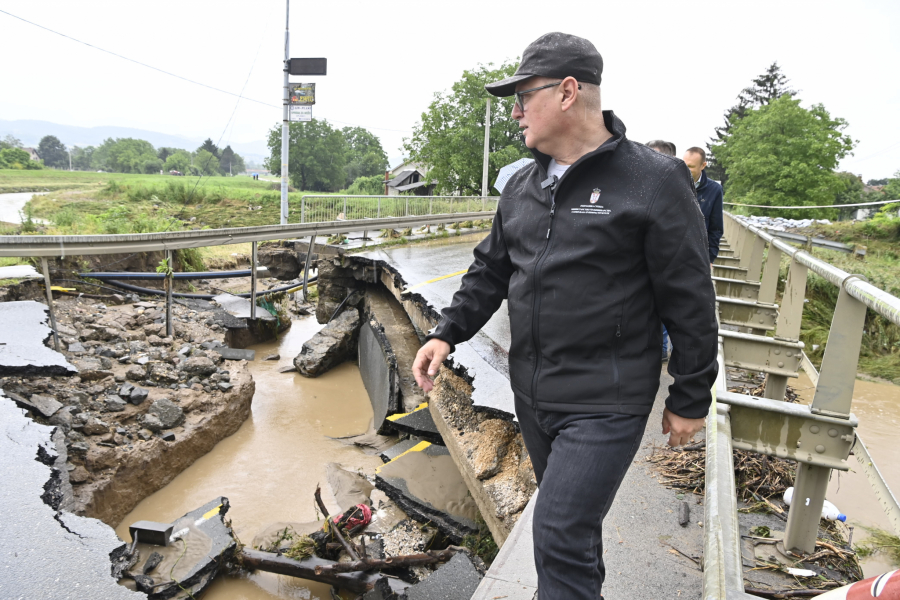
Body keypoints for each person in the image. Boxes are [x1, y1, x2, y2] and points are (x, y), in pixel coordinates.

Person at [411, 32, 718, 600]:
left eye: (523, 97)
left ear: (568, 91)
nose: (515, 112)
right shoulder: (521, 186)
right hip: (533, 394)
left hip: (606, 399)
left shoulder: (653, 180)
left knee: (556, 530)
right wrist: (446, 333)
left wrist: (690, 395)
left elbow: (690, 296)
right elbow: (490, 270)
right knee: (573, 530)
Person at [647, 140, 678, 360]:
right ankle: (659, 349)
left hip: (670, 260)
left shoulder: (678, 191)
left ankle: (667, 349)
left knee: (668, 304)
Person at [683, 147, 724, 264]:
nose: (686, 170)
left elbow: (716, 228)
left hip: (698, 255)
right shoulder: (673, 183)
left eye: (691, 166)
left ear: (703, 165)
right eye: (684, 165)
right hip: (672, 252)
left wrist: (710, 259)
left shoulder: (715, 190)